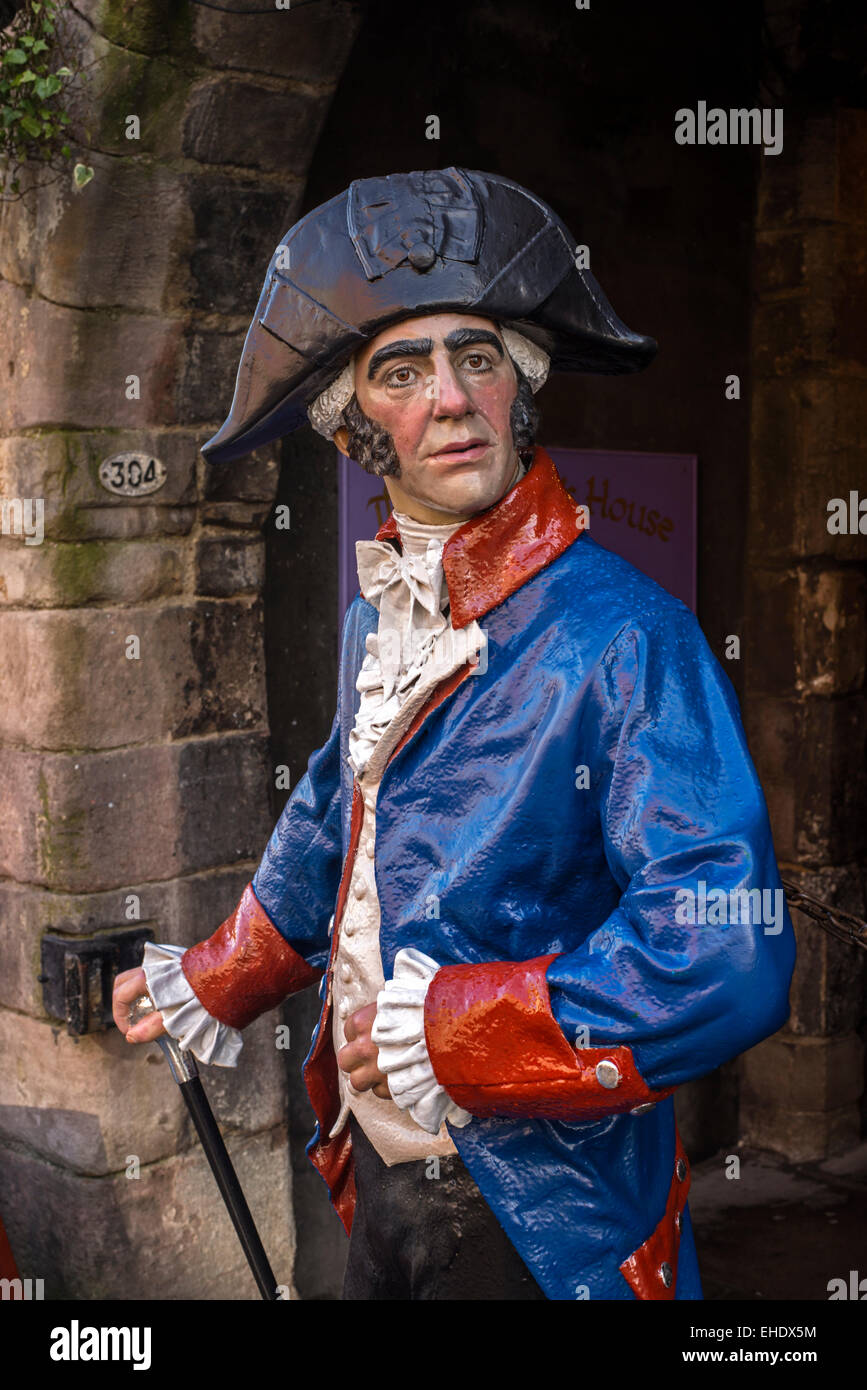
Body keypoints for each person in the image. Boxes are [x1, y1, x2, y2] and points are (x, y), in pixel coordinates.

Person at [113, 168, 796, 1300]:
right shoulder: (371, 621)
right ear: (351, 432)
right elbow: (340, 813)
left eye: (477, 356)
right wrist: (215, 975)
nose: (451, 396)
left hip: (545, 1221)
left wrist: (461, 1029)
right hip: (379, 1183)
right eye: (401, 369)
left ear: (520, 387)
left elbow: (728, 947)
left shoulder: (629, 636)